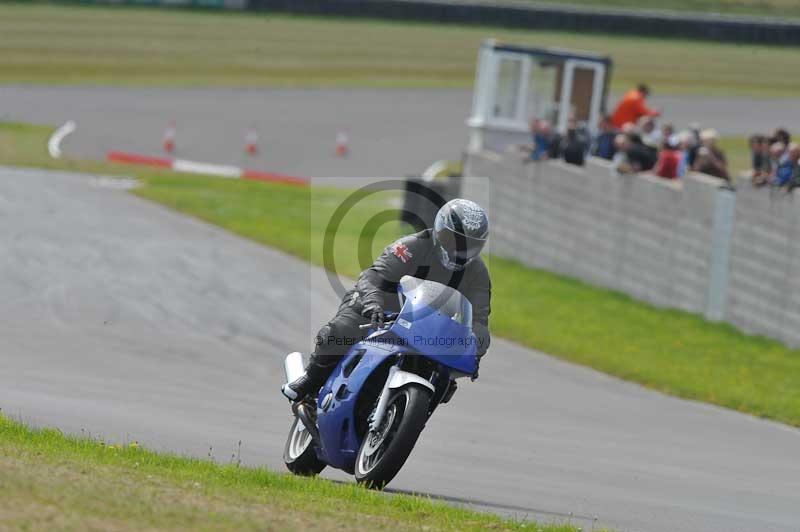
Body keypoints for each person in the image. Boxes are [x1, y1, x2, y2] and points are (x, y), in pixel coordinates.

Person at [282, 199, 492, 402]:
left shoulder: (478, 273)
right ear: (439, 231)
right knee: (341, 331)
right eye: (454, 240)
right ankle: (310, 379)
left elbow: (480, 320)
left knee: (445, 379)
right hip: (380, 308)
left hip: (428, 325)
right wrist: (373, 304)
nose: (459, 250)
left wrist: (475, 351)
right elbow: (373, 277)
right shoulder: (411, 246)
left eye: (470, 245)